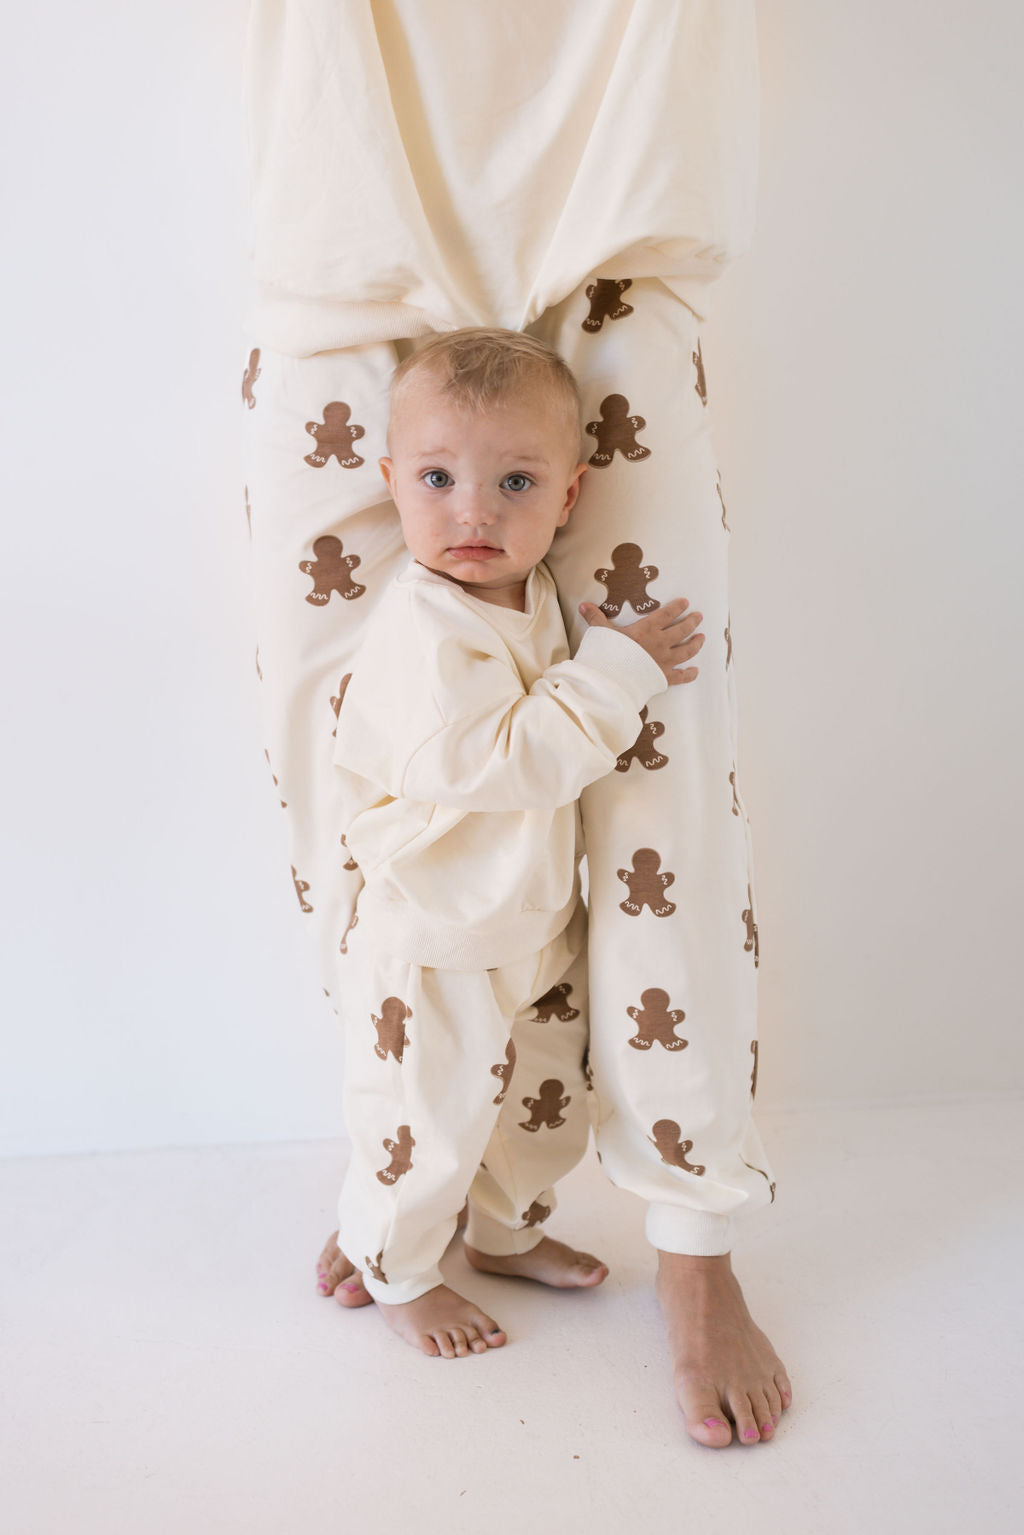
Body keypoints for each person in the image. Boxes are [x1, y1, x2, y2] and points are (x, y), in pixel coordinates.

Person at [245, 0, 792, 1447]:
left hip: (614, 238)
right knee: (348, 799)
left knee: (664, 797)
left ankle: (681, 1239)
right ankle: (397, 1199)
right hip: (349, 260)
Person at [325, 327, 705, 1360]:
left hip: (531, 917)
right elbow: (507, 759)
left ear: (569, 495)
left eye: (516, 481)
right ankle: (396, 1268)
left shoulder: (531, 595)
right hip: (433, 937)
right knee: (426, 1117)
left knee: (543, 1108)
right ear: (390, 480)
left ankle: (503, 1230)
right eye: (438, 477)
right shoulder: (419, 630)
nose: (475, 511)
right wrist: (617, 670)